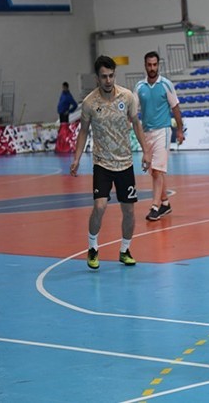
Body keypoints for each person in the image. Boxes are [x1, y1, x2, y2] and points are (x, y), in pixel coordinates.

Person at [70, 55, 151, 270]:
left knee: (129, 211)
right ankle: (92, 247)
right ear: (97, 78)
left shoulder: (127, 97)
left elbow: (136, 124)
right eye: (104, 76)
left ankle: (125, 250)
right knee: (100, 206)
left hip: (125, 163)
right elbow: (83, 132)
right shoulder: (90, 103)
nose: (108, 80)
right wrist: (77, 158)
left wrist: (146, 152)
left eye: (111, 76)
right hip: (102, 163)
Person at [134, 51, 185, 222]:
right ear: (145, 66)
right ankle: (165, 203)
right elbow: (133, 111)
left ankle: (155, 206)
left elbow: (175, 107)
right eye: (149, 65)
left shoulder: (166, 85)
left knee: (157, 170)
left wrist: (180, 130)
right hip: (146, 133)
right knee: (155, 172)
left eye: (155, 65)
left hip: (163, 131)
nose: (152, 68)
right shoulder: (139, 87)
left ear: (158, 65)